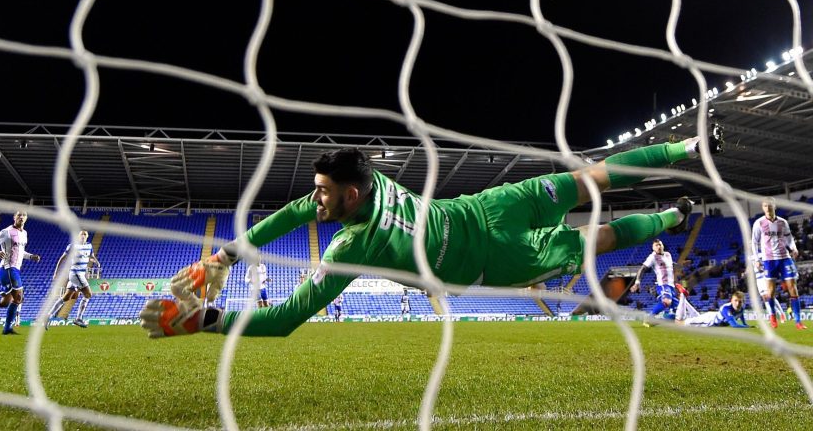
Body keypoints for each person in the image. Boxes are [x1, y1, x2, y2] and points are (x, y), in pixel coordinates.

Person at [141, 130, 723, 338]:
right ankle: (673, 217)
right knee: (595, 238)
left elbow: (293, 230)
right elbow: (286, 317)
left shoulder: (359, 216)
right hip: (494, 263)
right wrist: (221, 267)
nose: (314, 200)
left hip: (488, 207)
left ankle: (686, 149)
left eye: (322, 191)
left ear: (353, 192)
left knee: (589, 177)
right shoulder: (348, 237)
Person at [752, 197, 806, 330]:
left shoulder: (783, 222)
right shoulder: (758, 223)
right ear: (762, 207)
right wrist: (756, 260)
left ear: (774, 206)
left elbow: (789, 239)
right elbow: (754, 242)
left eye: (770, 205)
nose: (768, 208)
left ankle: (798, 322)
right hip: (769, 260)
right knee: (770, 292)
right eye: (765, 206)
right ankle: (773, 318)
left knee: (793, 288)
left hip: (784, 258)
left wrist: (793, 247)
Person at [47, 230, 100, 329]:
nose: (83, 236)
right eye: (81, 234)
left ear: (87, 236)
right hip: (76, 273)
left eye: (85, 234)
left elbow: (91, 256)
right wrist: (55, 272)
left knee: (66, 298)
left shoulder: (89, 246)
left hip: (79, 274)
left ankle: (48, 316)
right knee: (88, 294)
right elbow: (62, 258)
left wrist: (96, 261)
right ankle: (78, 318)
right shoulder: (72, 246)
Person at [630, 239, 678, 326]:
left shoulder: (668, 254)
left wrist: (681, 264)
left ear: (663, 245)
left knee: (678, 312)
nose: (658, 247)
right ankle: (650, 318)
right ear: (653, 248)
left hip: (671, 286)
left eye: (660, 244)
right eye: (656, 245)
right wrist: (637, 282)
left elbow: (670, 265)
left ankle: (659, 320)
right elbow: (642, 269)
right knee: (667, 301)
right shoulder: (653, 257)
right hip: (663, 284)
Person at [680, 291, 749, 328]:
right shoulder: (726, 308)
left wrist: (745, 324)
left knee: (696, 316)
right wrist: (746, 327)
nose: (737, 303)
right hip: (710, 321)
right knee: (685, 323)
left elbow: (741, 314)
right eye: (735, 300)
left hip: (713, 315)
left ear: (743, 302)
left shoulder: (741, 308)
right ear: (731, 300)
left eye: (740, 301)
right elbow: (734, 325)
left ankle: (683, 298)